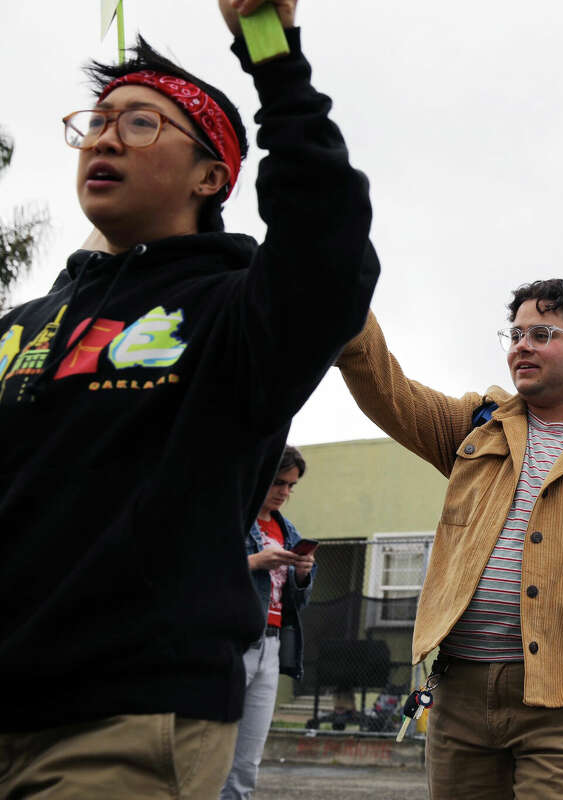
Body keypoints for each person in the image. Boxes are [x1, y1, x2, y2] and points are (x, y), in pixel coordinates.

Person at [0, 0, 378, 795]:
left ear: (213, 175)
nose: (104, 137)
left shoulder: (239, 314)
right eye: (97, 122)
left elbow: (327, 243)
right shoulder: (20, 328)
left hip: (127, 719)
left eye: (141, 124)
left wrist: (271, 50)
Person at [336, 280, 563, 800]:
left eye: (542, 333)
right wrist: (344, 295)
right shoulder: (476, 426)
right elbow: (388, 390)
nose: (521, 346)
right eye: (515, 334)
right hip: (460, 697)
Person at [221, 445, 316, 799]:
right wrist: (254, 561)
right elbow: (202, 574)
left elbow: (298, 600)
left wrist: (303, 575)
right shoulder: (233, 519)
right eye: (278, 482)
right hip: (232, 642)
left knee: (248, 758)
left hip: (272, 645)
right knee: (212, 744)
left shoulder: (287, 530)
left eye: (291, 486)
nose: (284, 492)